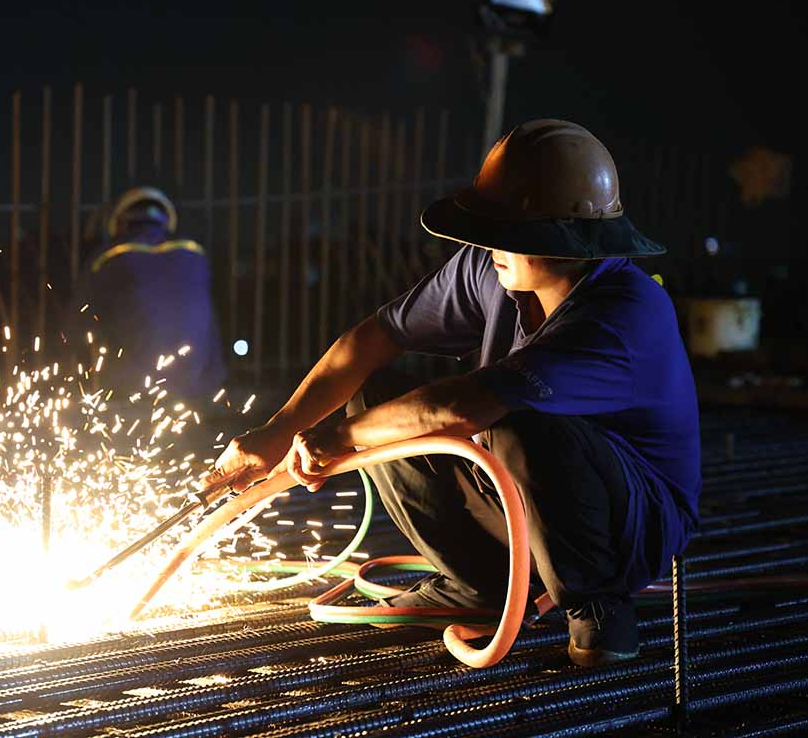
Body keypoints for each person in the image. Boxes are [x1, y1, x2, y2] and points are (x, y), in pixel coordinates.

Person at [211, 119, 701, 667]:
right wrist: (275, 434)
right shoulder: (493, 267)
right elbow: (375, 338)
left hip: (628, 524)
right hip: (519, 484)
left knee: (520, 420)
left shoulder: (622, 313)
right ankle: (479, 583)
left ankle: (597, 602)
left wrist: (335, 440)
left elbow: (461, 406)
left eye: (510, 232)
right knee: (376, 402)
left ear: (567, 240)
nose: (489, 243)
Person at [66, 185, 227, 404]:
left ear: (120, 221)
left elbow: (77, 326)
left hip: (127, 390)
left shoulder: (107, 258)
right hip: (197, 387)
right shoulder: (194, 253)